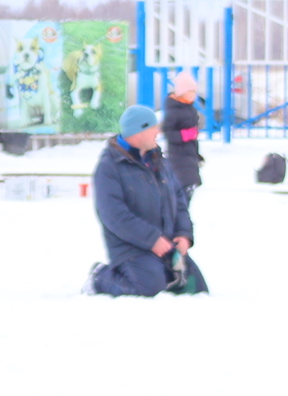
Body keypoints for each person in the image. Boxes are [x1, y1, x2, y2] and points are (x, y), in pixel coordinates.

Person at [85, 105, 207, 296]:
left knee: (196, 287)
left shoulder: (158, 159)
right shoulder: (109, 166)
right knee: (147, 288)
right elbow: (114, 215)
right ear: (138, 131)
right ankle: (100, 278)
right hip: (131, 247)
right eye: (153, 128)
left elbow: (179, 200)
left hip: (166, 244)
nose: (158, 132)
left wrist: (184, 234)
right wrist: (152, 240)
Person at [161, 70, 204, 203]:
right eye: (190, 91)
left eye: (194, 91)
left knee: (190, 186)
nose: (193, 95)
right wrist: (184, 135)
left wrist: (197, 155)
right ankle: (179, 217)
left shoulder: (189, 108)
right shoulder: (173, 109)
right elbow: (168, 132)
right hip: (178, 156)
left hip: (189, 155)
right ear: (182, 92)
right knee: (183, 187)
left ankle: (182, 216)